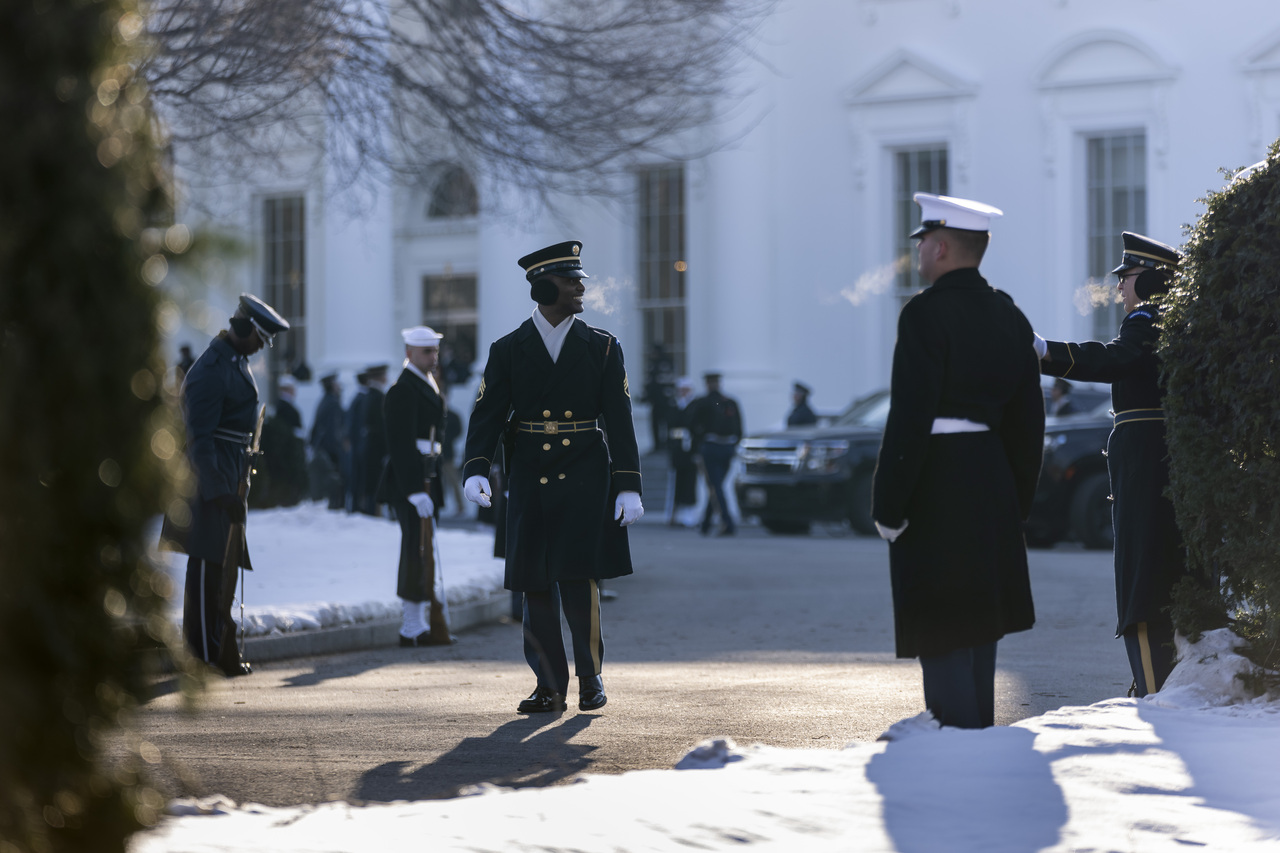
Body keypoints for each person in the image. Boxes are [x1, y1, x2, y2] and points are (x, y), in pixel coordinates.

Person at [871, 192, 1044, 730]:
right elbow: (1028, 422)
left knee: (942, 621)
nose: (920, 253)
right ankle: (978, 738)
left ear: (941, 246)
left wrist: (890, 503)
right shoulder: (1009, 313)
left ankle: (953, 744)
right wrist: (1015, 498)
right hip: (990, 478)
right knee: (980, 625)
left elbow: (910, 415)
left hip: (937, 481)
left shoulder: (925, 312)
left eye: (923, 243)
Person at [461, 240, 643, 714]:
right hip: (529, 475)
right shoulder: (508, 349)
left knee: (580, 580)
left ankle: (590, 677)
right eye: (570, 280)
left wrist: (628, 483)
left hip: (585, 472)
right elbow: (486, 414)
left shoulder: (602, 347)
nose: (581, 287)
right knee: (534, 584)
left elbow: (620, 420)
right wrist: (475, 468)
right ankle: (548, 685)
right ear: (544, 287)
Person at [1033, 232, 1193, 697]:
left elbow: (1114, 359)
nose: (1121, 288)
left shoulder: (1147, 320)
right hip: (1152, 448)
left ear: (1152, 282)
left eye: (1129, 278)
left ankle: (1152, 681)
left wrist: (1046, 351)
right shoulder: (1168, 321)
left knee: (1141, 567)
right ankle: (1155, 676)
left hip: (1144, 451)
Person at [160, 294, 290, 677]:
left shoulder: (233, 361)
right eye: (260, 338)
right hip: (208, 480)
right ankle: (200, 655)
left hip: (228, 475)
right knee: (206, 567)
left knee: (223, 564)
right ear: (244, 329)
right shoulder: (211, 368)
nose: (261, 347)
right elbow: (199, 437)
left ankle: (216, 648)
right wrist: (218, 489)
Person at [375, 327, 454, 646]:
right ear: (409, 353)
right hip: (411, 480)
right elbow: (400, 444)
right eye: (426, 352)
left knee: (425, 548)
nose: (433, 357)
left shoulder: (427, 384)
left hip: (427, 475)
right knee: (414, 547)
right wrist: (413, 490)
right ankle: (410, 624)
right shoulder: (403, 389)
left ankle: (421, 621)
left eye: (435, 351)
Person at [690, 371, 742, 536]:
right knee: (716, 485)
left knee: (715, 486)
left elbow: (691, 425)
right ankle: (706, 524)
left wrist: (699, 444)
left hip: (712, 447)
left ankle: (727, 522)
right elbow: (740, 430)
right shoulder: (730, 402)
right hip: (725, 447)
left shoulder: (703, 402)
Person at [666, 377, 700, 526]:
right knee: (677, 483)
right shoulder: (674, 405)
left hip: (691, 450)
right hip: (678, 451)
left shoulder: (695, 406)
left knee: (690, 483)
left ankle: (689, 514)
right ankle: (674, 514)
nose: (684, 393)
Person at [310, 373, 345, 509]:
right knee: (334, 485)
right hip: (330, 452)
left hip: (324, 449)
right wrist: (338, 451)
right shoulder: (332, 403)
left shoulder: (325, 401)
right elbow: (333, 432)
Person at [359, 364, 389, 516]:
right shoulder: (377, 397)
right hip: (376, 448)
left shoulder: (369, 395)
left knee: (371, 483)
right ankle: (375, 513)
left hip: (370, 446)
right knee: (376, 484)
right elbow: (381, 426)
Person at [344, 370, 370, 512]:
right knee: (359, 480)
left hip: (356, 446)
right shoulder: (363, 400)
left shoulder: (356, 399)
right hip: (360, 446)